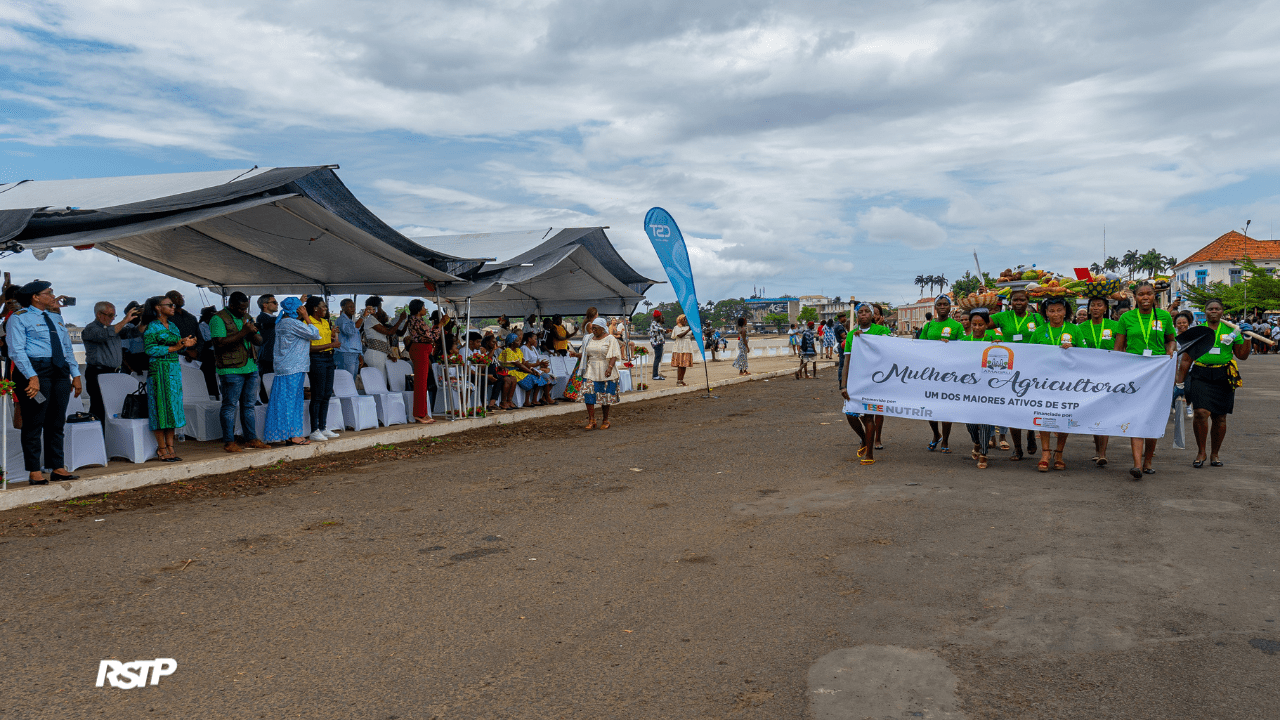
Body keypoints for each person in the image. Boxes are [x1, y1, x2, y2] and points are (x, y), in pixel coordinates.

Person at [7, 281, 84, 484]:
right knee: (34, 419)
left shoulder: (56, 318)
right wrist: (32, 377)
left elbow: (67, 349)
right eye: (48, 293)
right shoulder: (19, 318)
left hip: (59, 372)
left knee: (57, 420)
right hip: (34, 372)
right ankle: (34, 471)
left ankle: (57, 467)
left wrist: (75, 375)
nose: (53, 296)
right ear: (35, 297)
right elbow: (17, 350)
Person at [1176, 299, 1250, 468]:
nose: (1214, 311)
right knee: (1201, 412)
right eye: (1210, 309)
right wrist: (1179, 383)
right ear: (1205, 311)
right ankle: (1201, 452)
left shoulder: (1232, 331)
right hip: (1200, 374)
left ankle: (1215, 453)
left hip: (1224, 375)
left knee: (1220, 417)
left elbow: (1242, 355)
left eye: (1217, 309)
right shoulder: (1198, 331)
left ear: (1222, 311)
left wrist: (1246, 337)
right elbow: (1186, 359)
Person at [1114, 281, 1176, 480]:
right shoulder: (1127, 318)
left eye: (1149, 294)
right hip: (1134, 373)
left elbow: (1171, 340)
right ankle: (1137, 464)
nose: (1145, 297)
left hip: (1158, 373)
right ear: (1135, 297)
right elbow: (1119, 348)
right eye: (1141, 294)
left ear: (1154, 296)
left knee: (1152, 417)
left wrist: (1170, 351)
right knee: (1137, 417)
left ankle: (1148, 459)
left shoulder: (1165, 317)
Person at [989, 288, 1045, 461]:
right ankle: (1018, 449)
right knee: (1013, 408)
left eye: (1022, 300)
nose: (1018, 303)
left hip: (1033, 367)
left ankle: (1030, 432)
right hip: (1011, 368)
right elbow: (982, 323)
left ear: (1028, 301)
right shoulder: (1002, 317)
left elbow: (1045, 337)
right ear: (1010, 302)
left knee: (1029, 404)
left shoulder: (1037, 318)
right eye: (1015, 300)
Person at [209, 291, 267, 453]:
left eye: (245, 308)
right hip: (230, 368)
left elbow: (260, 341)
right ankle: (229, 441)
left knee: (248, 406)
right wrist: (243, 332)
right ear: (231, 305)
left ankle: (252, 439)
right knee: (229, 406)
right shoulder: (218, 319)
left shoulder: (246, 317)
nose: (243, 311)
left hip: (250, 366)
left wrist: (252, 331)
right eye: (241, 309)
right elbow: (219, 343)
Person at [141, 295, 196, 463]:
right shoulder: (152, 326)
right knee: (160, 408)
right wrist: (175, 347)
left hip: (173, 370)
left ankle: (171, 446)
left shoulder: (172, 325)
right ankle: (161, 448)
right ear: (158, 307)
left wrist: (185, 344)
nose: (173, 307)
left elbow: (178, 349)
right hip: (158, 370)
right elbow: (150, 349)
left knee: (172, 408)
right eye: (169, 305)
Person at [1028, 296, 1080, 472]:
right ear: (1046, 313)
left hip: (1068, 383)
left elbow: (1086, 355)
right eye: (1051, 310)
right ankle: (1045, 453)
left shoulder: (1074, 329)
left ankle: (1059, 453)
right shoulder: (1039, 331)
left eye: (1059, 310)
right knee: (1043, 415)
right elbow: (1030, 355)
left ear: (1065, 311)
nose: (1055, 314)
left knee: (1063, 417)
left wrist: (1073, 349)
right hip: (1044, 382)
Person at [263, 297, 319, 446]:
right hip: (293, 367)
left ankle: (289, 434)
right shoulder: (292, 323)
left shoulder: (283, 322)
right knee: (291, 402)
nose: (303, 310)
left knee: (287, 401)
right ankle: (292, 434)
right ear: (296, 310)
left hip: (289, 367)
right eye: (301, 308)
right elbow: (315, 334)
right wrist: (307, 317)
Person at [841, 304, 891, 465]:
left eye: (867, 312)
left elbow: (891, 350)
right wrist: (843, 385)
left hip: (875, 380)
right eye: (860, 312)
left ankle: (869, 453)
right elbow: (846, 361)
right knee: (850, 413)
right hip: (856, 379)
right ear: (857, 316)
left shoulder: (881, 331)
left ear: (872, 315)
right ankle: (864, 439)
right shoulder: (851, 335)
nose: (863, 315)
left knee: (869, 415)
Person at [1077, 296, 1121, 466]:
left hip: (1109, 374)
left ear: (1105, 308)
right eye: (1092, 305)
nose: (1095, 308)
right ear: (1088, 309)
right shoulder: (1081, 327)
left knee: (1105, 412)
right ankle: (1098, 450)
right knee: (1095, 413)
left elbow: (1121, 348)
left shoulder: (1115, 326)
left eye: (1099, 305)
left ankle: (1102, 453)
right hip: (1088, 376)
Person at [918, 296, 964, 453]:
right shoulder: (928, 325)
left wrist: (951, 345)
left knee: (946, 408)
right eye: (940, 304)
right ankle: (935, 434)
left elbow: (966, 347)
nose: (943, 306)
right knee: (930, 408)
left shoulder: (957, 326)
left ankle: (945, 440)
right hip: (931, 373)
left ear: (950, 307)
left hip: (950, 374)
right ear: (935, 308)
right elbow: (920, 346)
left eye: (946, 304)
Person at [82, 300, 139, 425]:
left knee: (112, 406)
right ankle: (98, 437)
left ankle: (107, 438)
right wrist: (125, 320)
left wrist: (145, 320)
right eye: (110, 315)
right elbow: (105, 335)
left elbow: (134, 333)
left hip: (113, 373)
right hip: (97, 372)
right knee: (99, 407)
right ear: (99, 314)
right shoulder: (91, 329)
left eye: (114, 315)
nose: (113, 318)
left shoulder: (113, 329)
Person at [958, 307, 999, 468]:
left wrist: (1000, 347)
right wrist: (946, 346)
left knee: (985, 422)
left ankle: (983, 453)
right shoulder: (963, 342)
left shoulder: (993, 340)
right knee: (970, 423)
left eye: (980, 324)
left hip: (988, 388)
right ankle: (976, 442)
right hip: (969, 388)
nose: (976, 328)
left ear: (986, 324)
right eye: (974, 324)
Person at [304, 297, 341, 442]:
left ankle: (323, 427)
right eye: (323, 306)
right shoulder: (307, 322)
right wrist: (330, 345)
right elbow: (308, 348)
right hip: (316, 359)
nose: (325, 309)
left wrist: (332, 336)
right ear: (315, 308)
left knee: (326, 394)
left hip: (328, 358)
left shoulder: (325, 322)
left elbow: (325, 341)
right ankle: (314, 430)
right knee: (317, 395)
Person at [577, 318, 621, 430]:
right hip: (591, 369)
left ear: (602, 328)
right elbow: (584, 353)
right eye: (592, 328)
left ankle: (605, 420)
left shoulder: (610, 339)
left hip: (605, 369)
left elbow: (614, 354)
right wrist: (576, 356)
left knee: (605, 395)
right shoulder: (588, 338)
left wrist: (610, 368)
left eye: (595, 328)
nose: (593, 331)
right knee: (588, 393)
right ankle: (591, 420)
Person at [403, 301, 439, 424]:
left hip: (422, 350)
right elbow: (431, 336)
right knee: (420, 383)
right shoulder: (416, 320)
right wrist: (440, 325)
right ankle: (419, 413)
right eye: (423, 307)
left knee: (423, 382)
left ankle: (423, 411)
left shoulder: (418, 320)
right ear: (418, 309)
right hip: (420, 350)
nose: (425, 309)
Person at [359, 296, 401, 376]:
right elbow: (389, 332)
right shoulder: (370, 320)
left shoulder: (375, 321)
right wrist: (400, 320)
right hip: (375, 355)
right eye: (380, 307)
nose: (381, 310)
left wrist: (389, 356)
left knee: (381, 381)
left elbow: (382, 341)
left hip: (379, 355)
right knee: (379, 381)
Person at [519, 331, 554, 406]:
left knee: (553, 379)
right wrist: (538, 365)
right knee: (544, 378)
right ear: (529, 339)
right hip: (530, 369)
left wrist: (543, 366)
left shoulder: (533, 348)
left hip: (537, 369)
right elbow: (526, 363)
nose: (536, 341)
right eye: (534, 339)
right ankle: (544, 398)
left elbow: (538, 360)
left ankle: (543, 398)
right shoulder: (524, 348)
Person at [335, 299, 363, 383]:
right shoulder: (341, 320)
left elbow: (356, 340)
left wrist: (360, 354)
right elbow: (350, 332)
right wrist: (363, 317)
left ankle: (350, 396)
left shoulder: (350, 321)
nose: (353, 309)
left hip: (353, 353)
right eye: (350, 307)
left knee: (351, 381)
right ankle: (345, 396)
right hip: (345, 353)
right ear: (343, 307)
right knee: (347, 381)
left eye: (353, 307)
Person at [669, 314, 697, 386]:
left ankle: (681, 380)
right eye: (684, 319)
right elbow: (679, 335)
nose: (685, 321)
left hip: (687, 347)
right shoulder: (677, 327)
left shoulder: (688, 327)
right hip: (679, 347)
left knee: (684, 365)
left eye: (686, 319)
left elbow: (694, 335)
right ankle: (678, 380)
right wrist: (688, 330)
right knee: (680, 365)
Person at [255, 295, 279, 376]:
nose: (277, 304)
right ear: (265, 305)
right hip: (267, 358)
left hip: (275, 357)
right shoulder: (262, 318)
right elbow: (276, 320)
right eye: (274, 302)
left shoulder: (273, 318)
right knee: (267, 385)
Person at [648, 311, 667, 380]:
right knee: (657, 359)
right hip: (657, 343)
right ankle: (655, 375)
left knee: (658, 359)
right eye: (660, 317)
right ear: (658, 317)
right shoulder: (654, 324)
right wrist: (665, 330)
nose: (661, 318)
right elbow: (659, 330)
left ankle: (655, 375)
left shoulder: (656, 323)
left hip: (659, 343)